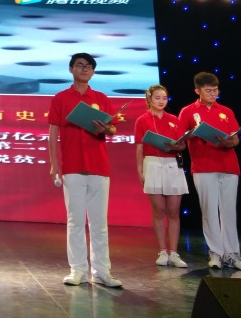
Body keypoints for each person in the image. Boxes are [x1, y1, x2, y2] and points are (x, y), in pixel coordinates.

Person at [47, 53, 122, 288]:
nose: (84, 69)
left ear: (93, 71)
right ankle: (77, 270)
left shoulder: (101, 98)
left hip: (99, 167)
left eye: (88, 66)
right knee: (75, 221)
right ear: (71, 69)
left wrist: (105, 128)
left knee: (99, 223)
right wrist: (54, 163)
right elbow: (53, 132)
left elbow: (113, 130)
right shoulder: (61, 98)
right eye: (79, 65)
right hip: (72, 167)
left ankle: (102, 271)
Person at [179, 72, 241, 271]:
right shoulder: (188, 111)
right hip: (203, 166)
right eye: (208, 90)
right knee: (209, 210)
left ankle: (232, 254)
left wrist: (229, 141)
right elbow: (180, 137)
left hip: (228, 165)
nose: (213, 94)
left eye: (215, 90)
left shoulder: (226, 111)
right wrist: (194, 133)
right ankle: (216, 253)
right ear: (197, 91)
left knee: (229, 211)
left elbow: (236, 139)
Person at [133, 85, 189, 268]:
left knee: (174, 211)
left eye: (164, 98)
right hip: (152, 164)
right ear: (149, 98)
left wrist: (176, 146)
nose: (161, 101)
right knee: (158, 210)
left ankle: (174, 252)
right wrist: (140, 170)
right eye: (157, 98)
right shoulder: (142, 120)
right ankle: (163, 251)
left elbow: (182, 145)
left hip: (172, 164)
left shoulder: (174, 119)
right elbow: (139, 147)